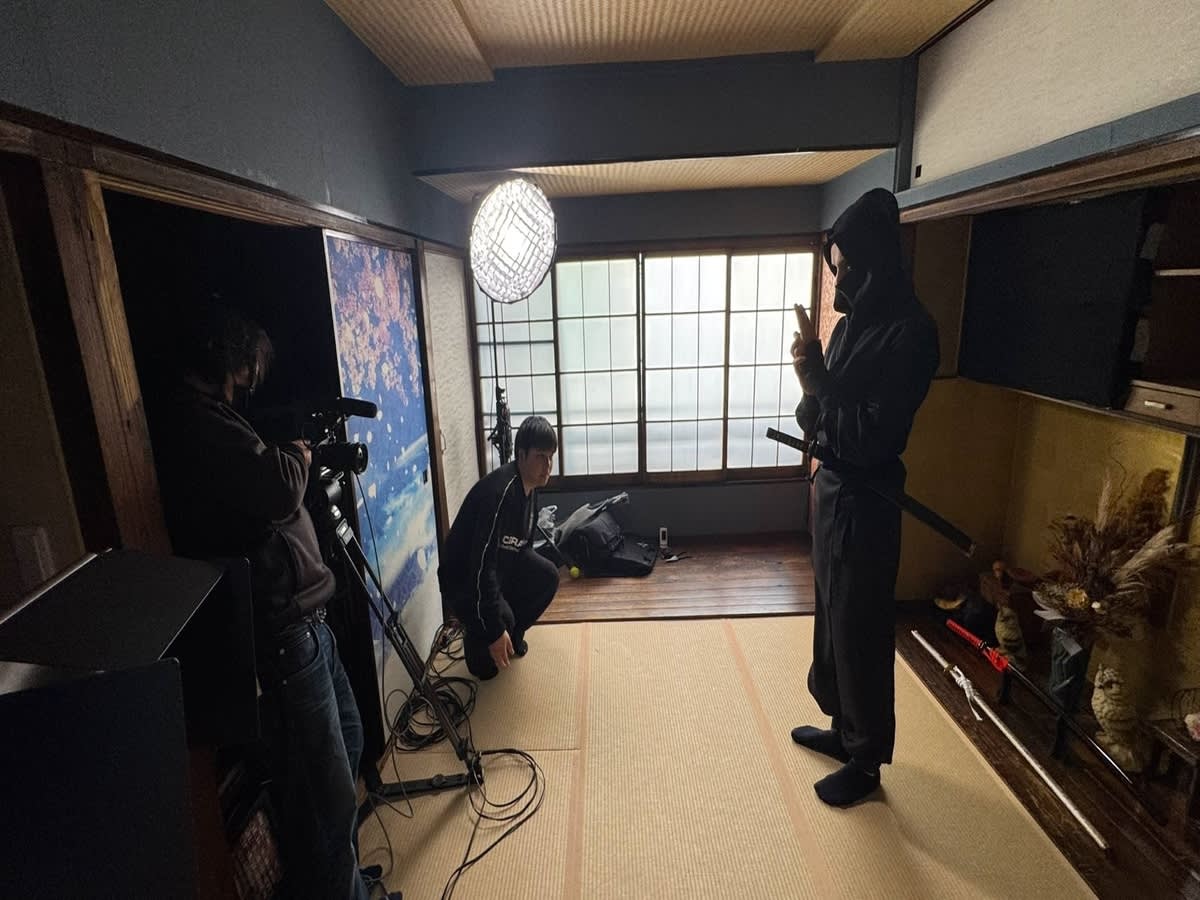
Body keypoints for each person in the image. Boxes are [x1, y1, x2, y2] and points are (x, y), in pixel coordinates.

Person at [154, 306, 393, 900]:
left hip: (307, 622)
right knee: (327, 793)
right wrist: (300, 455)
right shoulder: (198, 424)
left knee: (349, 743)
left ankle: (345, 883)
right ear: (227, 356)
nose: (250, 381)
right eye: (248, 368)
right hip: (284, 635)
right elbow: (279, 488)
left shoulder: (220, 419)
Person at [788, 188, 940, 807]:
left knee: (862, 626)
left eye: (847, 263)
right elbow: (818, 416)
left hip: (869, 499)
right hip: (831, 489)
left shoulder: (912, 334)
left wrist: (820, 381)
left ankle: (867, 758)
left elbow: (872, 434)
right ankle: (842, 727)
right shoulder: (852, 327)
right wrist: (810, 377)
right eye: (836, 265)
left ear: (875, 259)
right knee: (830, 614)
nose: (840, 277)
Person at [439, 416, 559, 680]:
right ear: (521, 455)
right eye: (540, 456)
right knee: (485, 670)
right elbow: (481, 567)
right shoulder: (499, 494)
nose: (548, 465)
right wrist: (494, 629)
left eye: (551, 457)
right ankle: (479, 635)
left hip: (496, 567)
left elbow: (523, 548)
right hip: (463, 581)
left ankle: (512, 633)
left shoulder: (530, 489)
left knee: (548, 576)